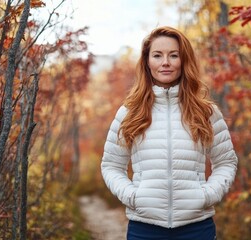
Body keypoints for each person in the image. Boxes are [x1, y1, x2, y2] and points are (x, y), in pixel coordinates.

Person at [101, 26, 238, 240]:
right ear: (147, 61)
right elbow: (111, 165)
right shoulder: (129, 112)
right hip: (144, 228)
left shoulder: (206, 112)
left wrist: (207, 195)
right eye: (157, 55)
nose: (165, 62)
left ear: (184, 61)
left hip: (196, 228)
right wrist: (133, 196)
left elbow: (226, 162)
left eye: (173, 55)